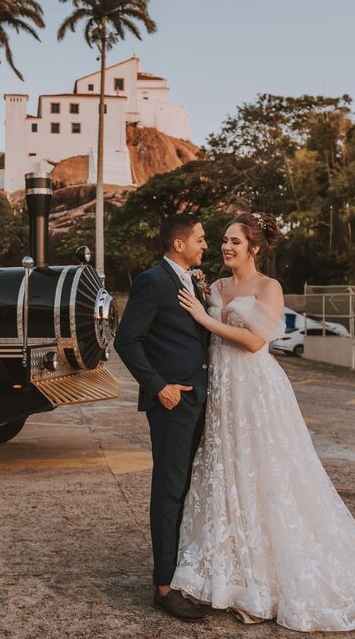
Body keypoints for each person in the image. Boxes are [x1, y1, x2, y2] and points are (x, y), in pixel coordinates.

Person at [171, 212, 355, 631]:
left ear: (255, 248)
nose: (226, 247)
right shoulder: (217, 286)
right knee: (227, 473)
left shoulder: (269, 287)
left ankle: (267, 580)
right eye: (224, 240)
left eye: (235, 242)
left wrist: (204, 318)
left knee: (267, 475)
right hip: (223, 391)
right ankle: (233, 577)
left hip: (256, 390)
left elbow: (253, 341)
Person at [113, 213, 213, 622]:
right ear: (178, 244)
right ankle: (164, 588)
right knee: (169, 492)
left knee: (186, 489)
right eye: (200, 239)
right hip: (172, 406)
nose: (205, 246)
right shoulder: (152, 281)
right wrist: (159, 387)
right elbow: (127, 340)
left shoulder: (193, 281)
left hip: (199, 402)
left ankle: (180, 574)